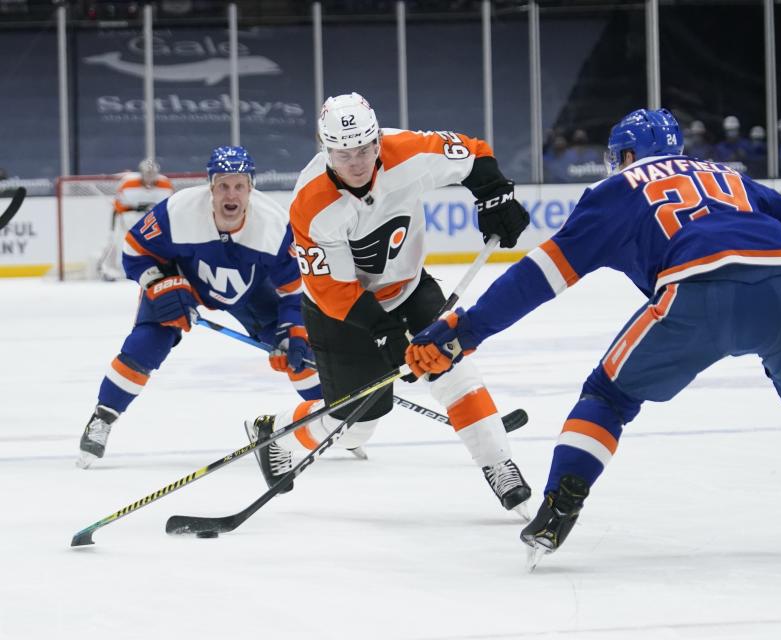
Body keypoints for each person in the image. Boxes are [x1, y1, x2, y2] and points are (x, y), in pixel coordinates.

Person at [406, 107, 781, 565]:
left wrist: (462, 332)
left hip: (696, 295)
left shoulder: (614, 191)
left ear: (623, 156)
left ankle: (558, 509)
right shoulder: (729, 177)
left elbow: (538, 279)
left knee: (608, 395)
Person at [243, 92, 533, 514]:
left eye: (364, 148)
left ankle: (499, 465)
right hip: (342, 313)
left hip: (410, 288)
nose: (357, 162)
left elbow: (473, 155)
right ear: (325, 149)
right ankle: (279, 435)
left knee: (452, 367)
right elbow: (333, 290)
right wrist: (384, 332)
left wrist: (495, 197)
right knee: (357, 424)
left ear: (378, 139)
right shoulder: (311, 204)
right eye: (344, 154)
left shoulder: (410, 151)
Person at [77, 146, 322, 469]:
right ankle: (104, 416)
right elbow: (134, 252)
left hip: (249, 293)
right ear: (210, 186)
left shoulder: (275, 226)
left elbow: (294, 291)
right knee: (146, 345)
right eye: (223, 185)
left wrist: (291, 331)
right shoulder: (178, 210)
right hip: (183, 282)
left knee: (301, 353)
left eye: (238, 186)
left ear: (251, 187)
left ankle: (328, 417)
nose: (230, 194)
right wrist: (158, 283)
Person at [97, 159, 174, 281]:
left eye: (152, 174)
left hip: (154, 220)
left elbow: (170, 206)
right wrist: (137, 207)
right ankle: (111, 270)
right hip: (129, 219)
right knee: (118, 241)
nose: (150, 177)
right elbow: (119, 207)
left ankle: (161, 268)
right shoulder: (128, 183)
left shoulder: (165, 184)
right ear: (141, 173)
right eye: (147, 173)